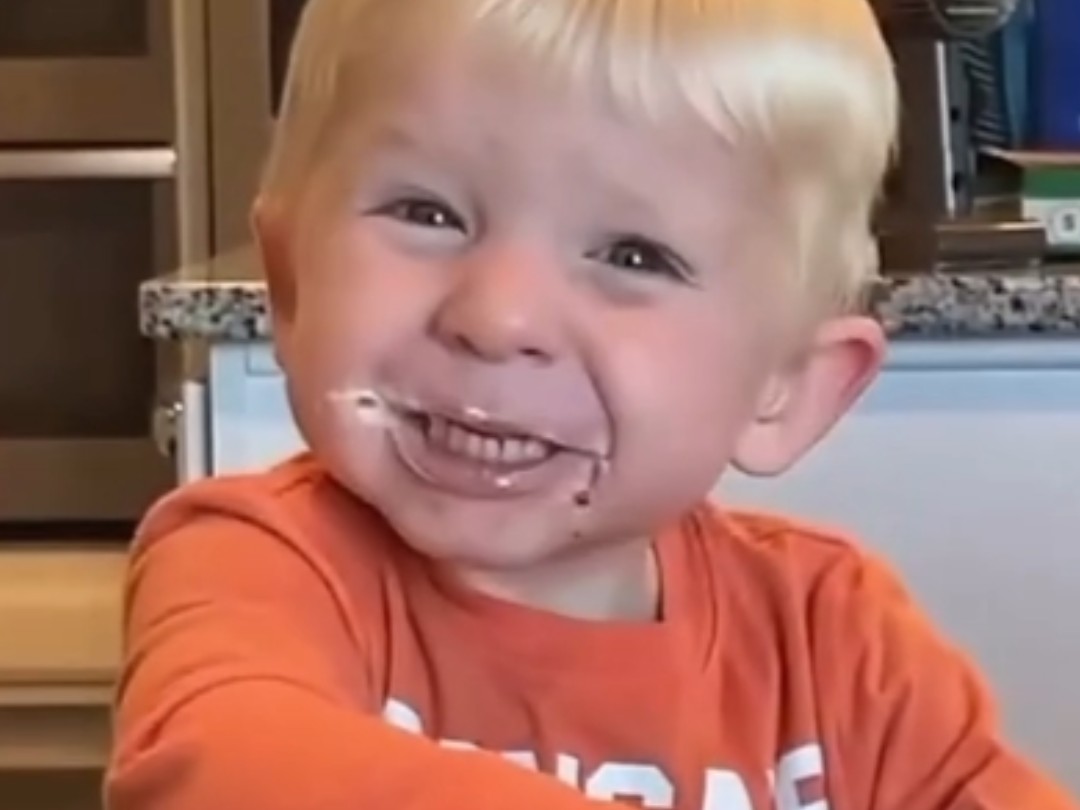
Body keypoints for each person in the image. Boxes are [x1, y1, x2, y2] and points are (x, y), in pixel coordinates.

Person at [105, 1, 1076, 808]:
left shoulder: (834, 638)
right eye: (427, 213)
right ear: (289, 285)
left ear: (786, 388)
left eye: (633, 256)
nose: (498, 317)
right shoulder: (260, 562)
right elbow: (224, 768)